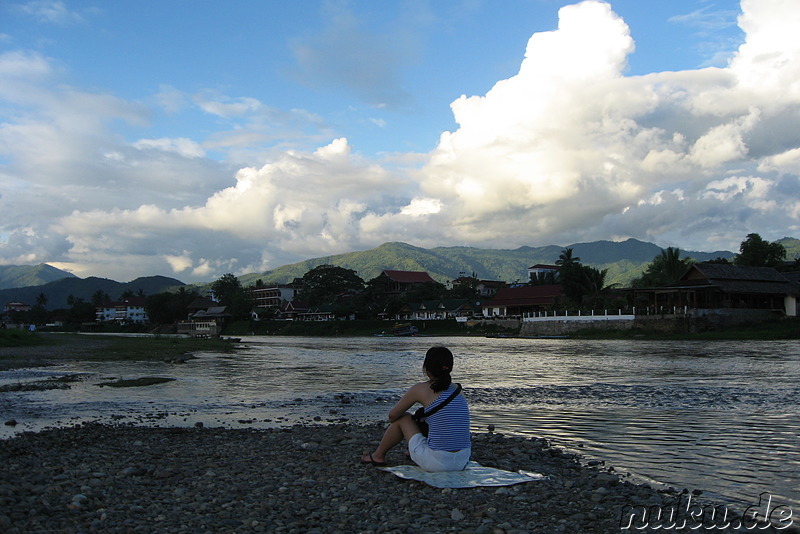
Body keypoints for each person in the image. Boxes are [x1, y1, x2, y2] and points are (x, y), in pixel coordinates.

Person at [361, 346, 471, 472]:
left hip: (437, 463)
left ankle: (378, 455)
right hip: (463, 460)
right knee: (428, 417)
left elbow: (392, 416)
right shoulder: (457, 390)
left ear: (427, 368)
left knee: (404, 417)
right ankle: (413, 450)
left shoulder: (420, 389)